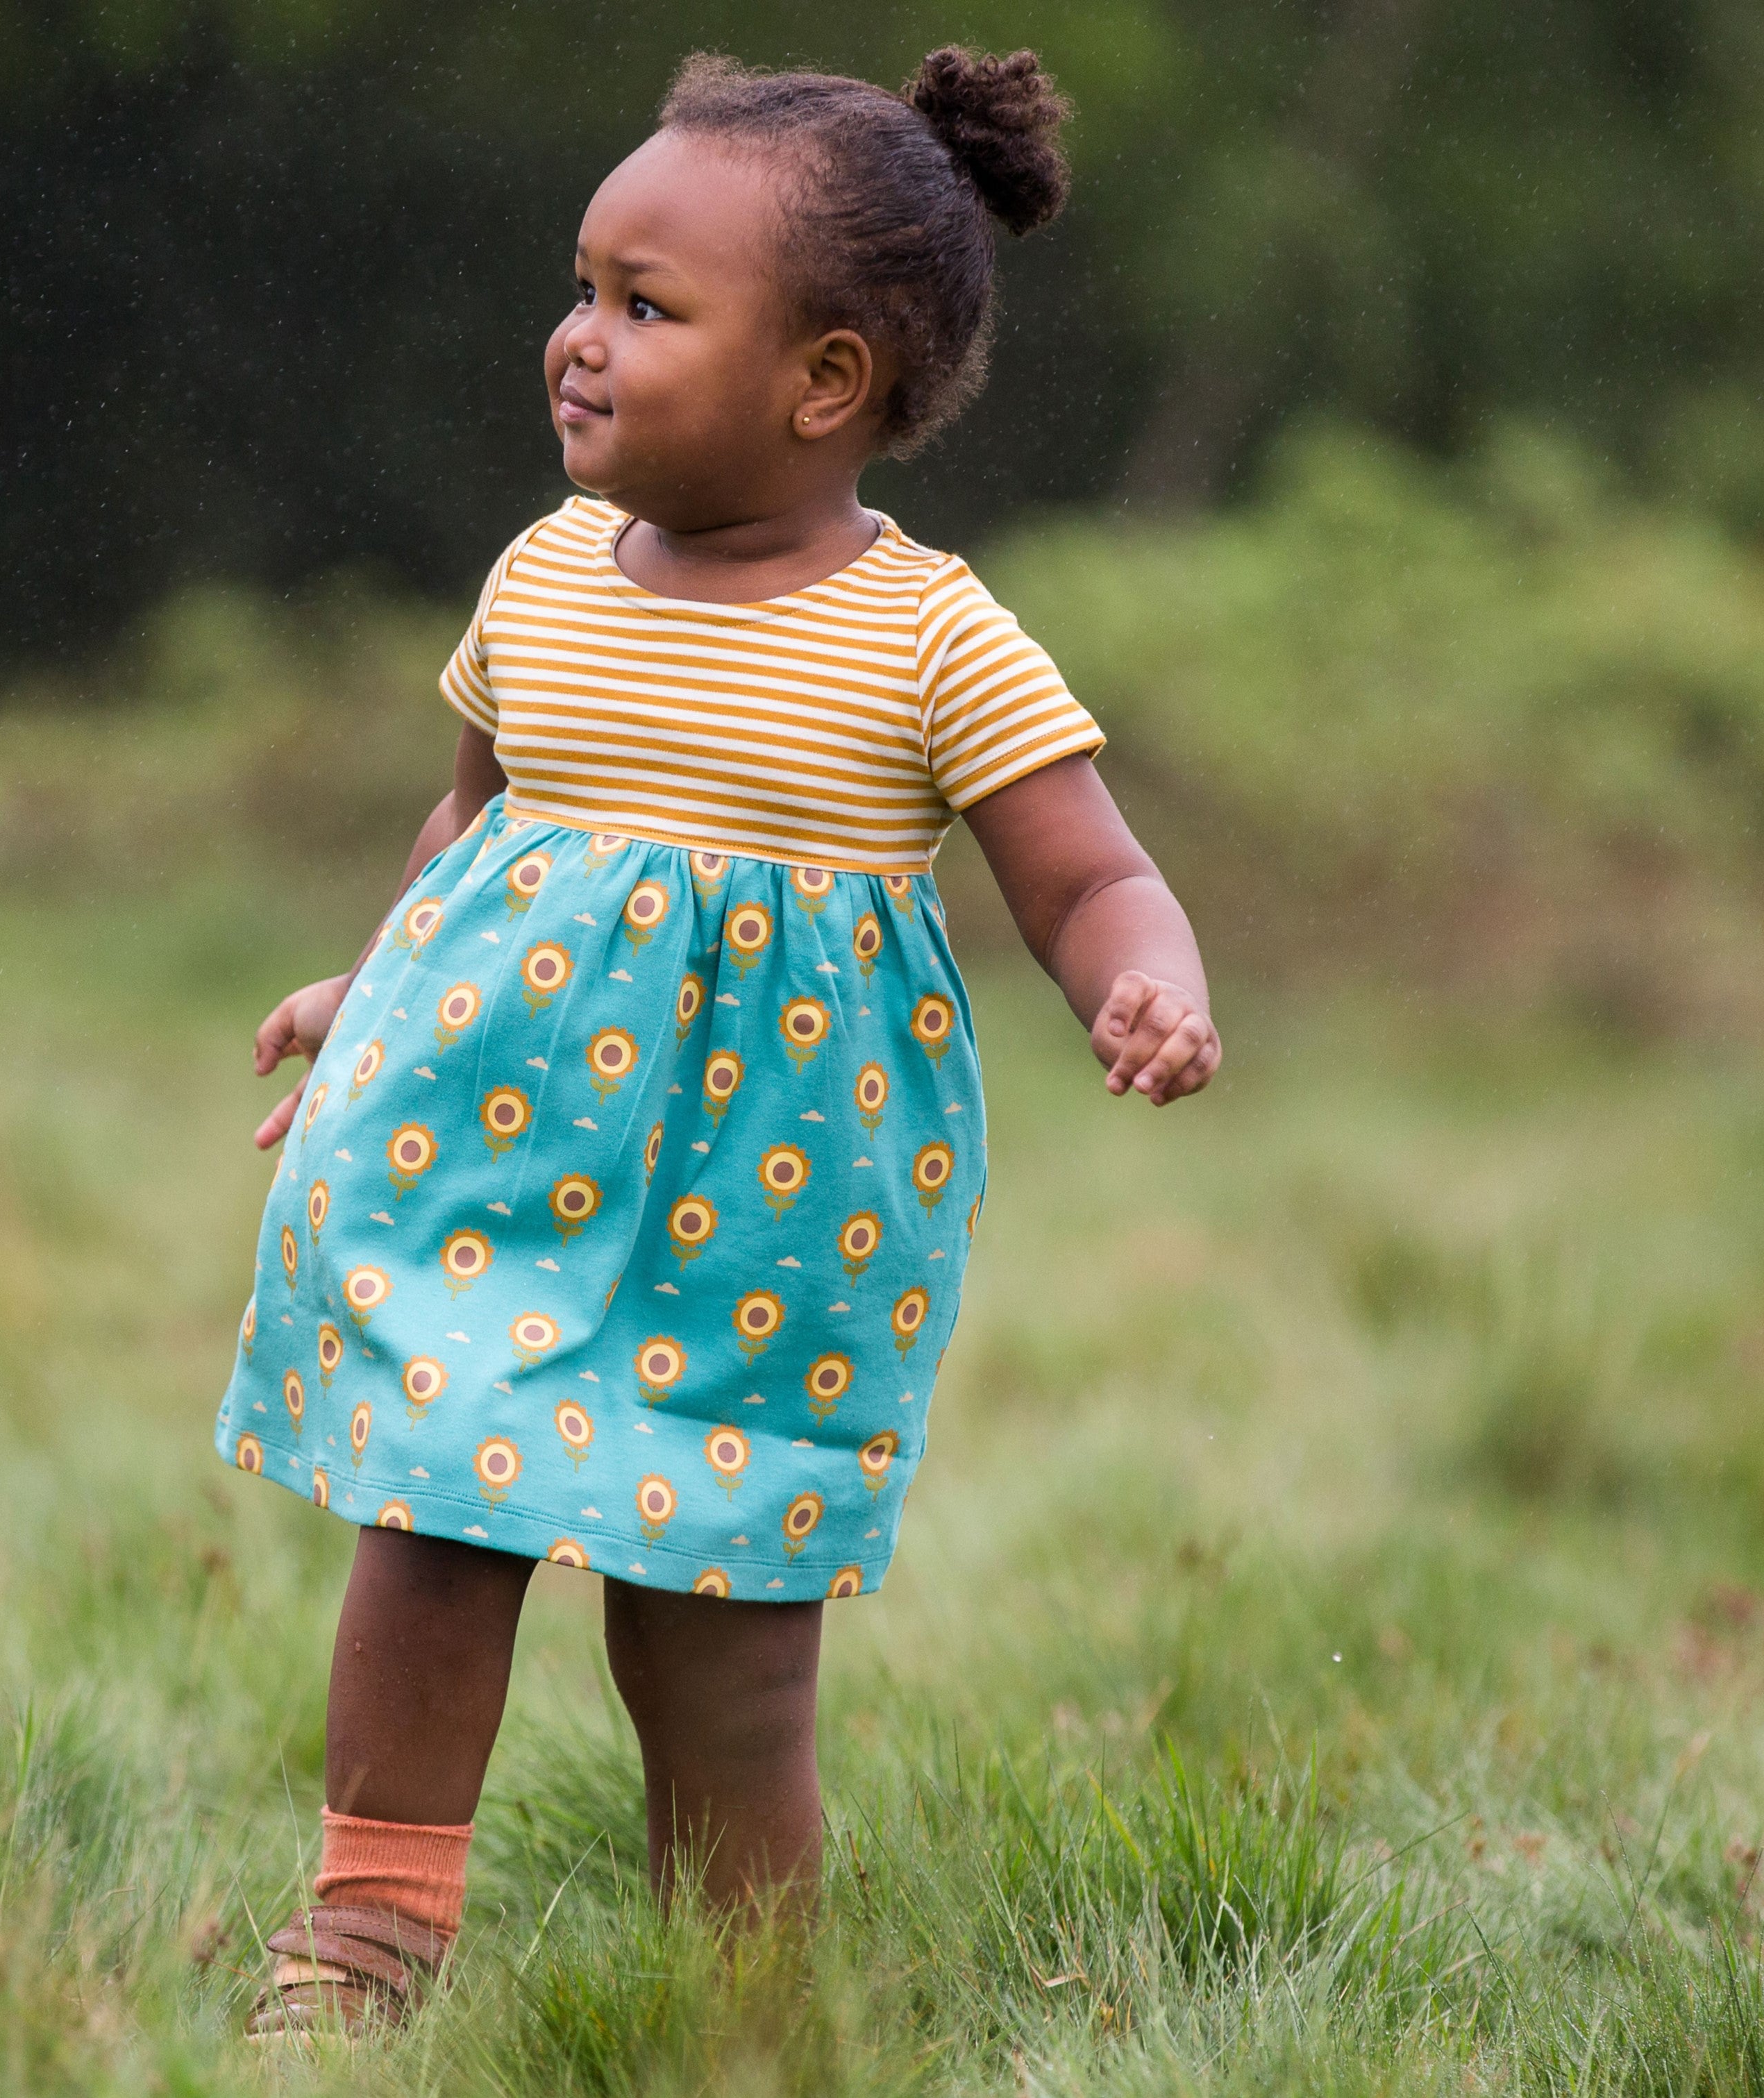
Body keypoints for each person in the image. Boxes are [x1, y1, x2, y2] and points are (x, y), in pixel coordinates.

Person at [219, 46, 1220, 2034]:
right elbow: (475, 827)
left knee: (722, 1645)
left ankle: (740, 2014)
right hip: (486, 1156)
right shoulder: (544, 577)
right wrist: (376, 983)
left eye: (644, 307)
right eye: (584, 287)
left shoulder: (925, 636)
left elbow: (1085, 871)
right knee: (426, 1535)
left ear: (825, 382)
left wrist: (1148, 976)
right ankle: (363, 1943)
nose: (577, 342)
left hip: (768, 1222)